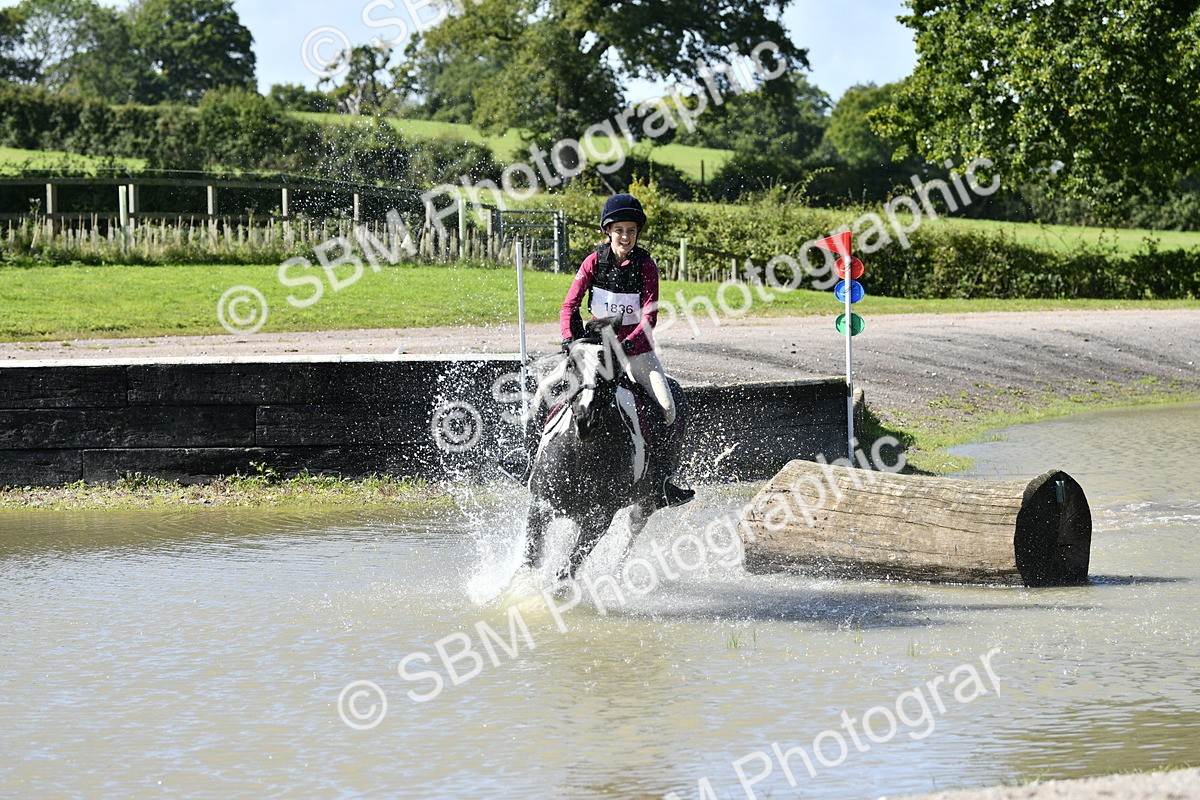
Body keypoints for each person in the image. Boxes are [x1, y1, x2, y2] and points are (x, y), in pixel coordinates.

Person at [559, 193, 694, 507]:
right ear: (608, 231)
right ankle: (526, 460)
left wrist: (628, 344)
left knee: (668, 406)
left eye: (631, 230)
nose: (625, 236)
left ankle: (663, 481)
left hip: (635, 352)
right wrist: (570, 340)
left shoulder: (647, 266)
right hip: (595, 349)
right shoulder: (593, 261)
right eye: (619, 230)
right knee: (547, 391)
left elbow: (649, 316)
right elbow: (569, 305)